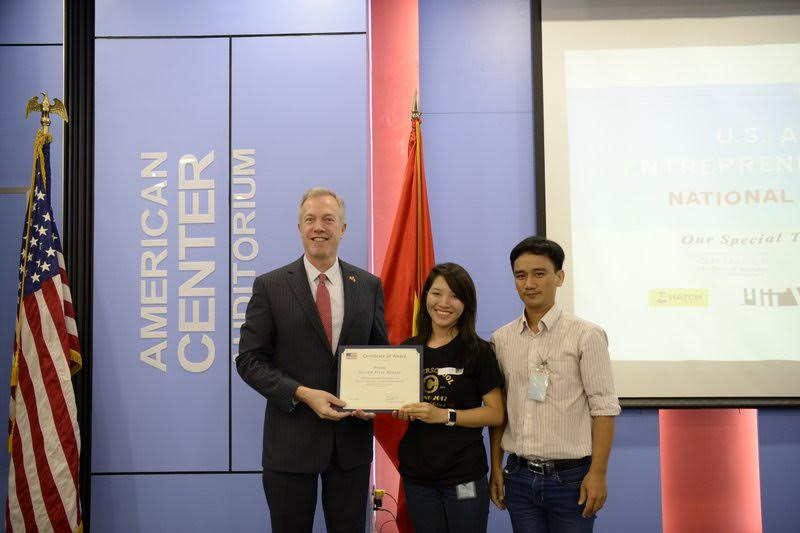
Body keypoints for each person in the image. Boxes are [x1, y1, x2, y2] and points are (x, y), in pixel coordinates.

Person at [237, 187, 388, 533]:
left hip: (350, 446)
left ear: (343, 228)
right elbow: (249, 360)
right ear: (300, 227)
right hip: (290, 444)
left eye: (328, 219)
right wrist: (303, 393)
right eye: (310, 220)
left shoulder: (368, 285)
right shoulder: (270, 286)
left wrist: (375, 400)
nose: (319, 227)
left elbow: (378, 353)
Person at [489, 236, 621, 533]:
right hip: (518, 476)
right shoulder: (501, 339)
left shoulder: (586, 335)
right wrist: (496, 466)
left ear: (559, 277)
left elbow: (603, 408)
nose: (529, 283)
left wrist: (598, 473)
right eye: (520, 276)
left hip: (571, 478)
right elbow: (501, 409)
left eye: (539, 273)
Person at [392, 262, 505, 533]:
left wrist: (444, 415)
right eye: (436, 293)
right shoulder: (408, 350)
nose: (444, 303)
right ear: (426, 297)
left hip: (464, 474)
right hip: (418, 477)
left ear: (466, 303)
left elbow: (495, 413)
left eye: (454, 296)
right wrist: (396, 408)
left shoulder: (478, 351)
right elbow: (395, 400)